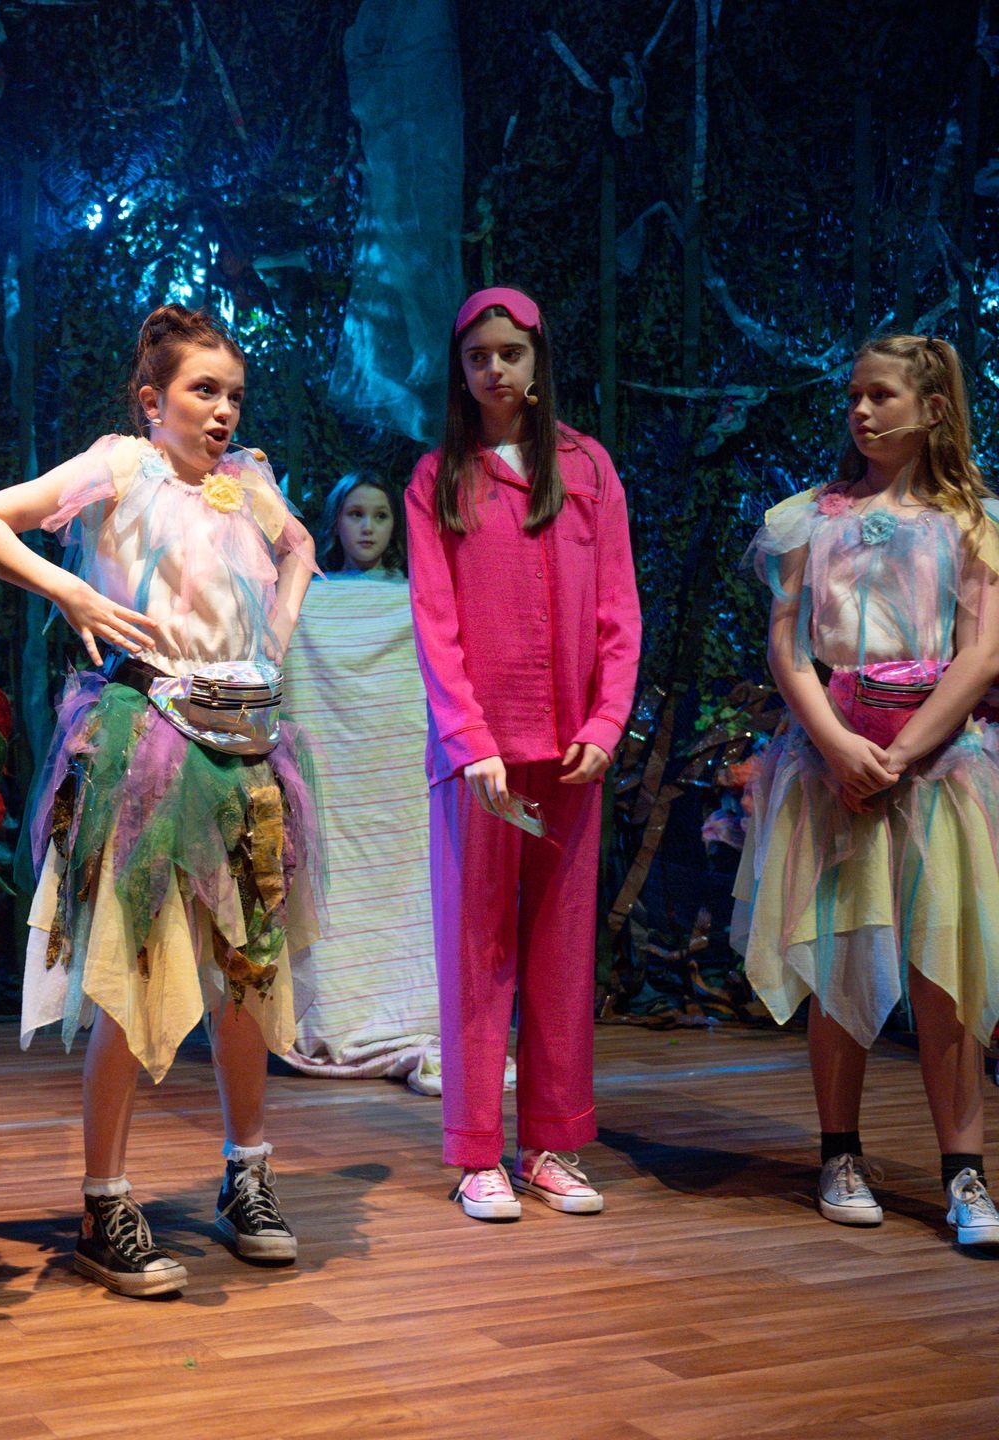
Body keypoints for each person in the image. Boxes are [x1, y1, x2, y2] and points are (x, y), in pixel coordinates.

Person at [0, 304, 321, 1297]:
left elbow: (299, 548)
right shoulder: (122, 467)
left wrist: (277, 636)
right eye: (203, 391)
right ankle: (105, 1200)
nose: (222, 411)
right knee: (135, 970)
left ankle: (247, 1174)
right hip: (149, 741)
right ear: (152, 400)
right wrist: (71, 593)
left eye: (234, 395)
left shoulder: (248, 484)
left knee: (246, 973)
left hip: (241, 744)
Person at [733, 333, 999, 1251]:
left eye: (882, 395)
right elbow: (787, 646)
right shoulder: (808, 519)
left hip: (938, 770)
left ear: (933, 409)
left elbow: (982, 653)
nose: (861, 409)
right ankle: (839, 1153)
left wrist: (906, 754)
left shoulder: (972, 522)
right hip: (834, 767)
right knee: (839, 958)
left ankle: (964, 1170)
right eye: (854, 393)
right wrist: (841, 747)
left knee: (947, 971)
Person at [405, 286, 641, 1221]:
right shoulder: (438, 479)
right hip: (483, 761)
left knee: (562, 946)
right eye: (477, 357)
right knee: (479, 949)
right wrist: (469, 739)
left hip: (571, 751)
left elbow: (618, 609)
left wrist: (606, 723)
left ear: (537, 358)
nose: (494, 369)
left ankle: (550, 1144)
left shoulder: (587, 467)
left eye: (509, 353)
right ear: (459, 370)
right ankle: (476, 1153)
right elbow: (434, 619)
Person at [282, 473, 445, 1087]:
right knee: (336, 889)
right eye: (355, 514)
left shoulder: (416, 598)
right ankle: (337, 1011)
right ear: (336, 521)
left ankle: (409, 1011)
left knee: (406, 890)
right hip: (337, 785)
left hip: (397, 784)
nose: (368, 527)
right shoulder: (310, 598)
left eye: (380, 515)